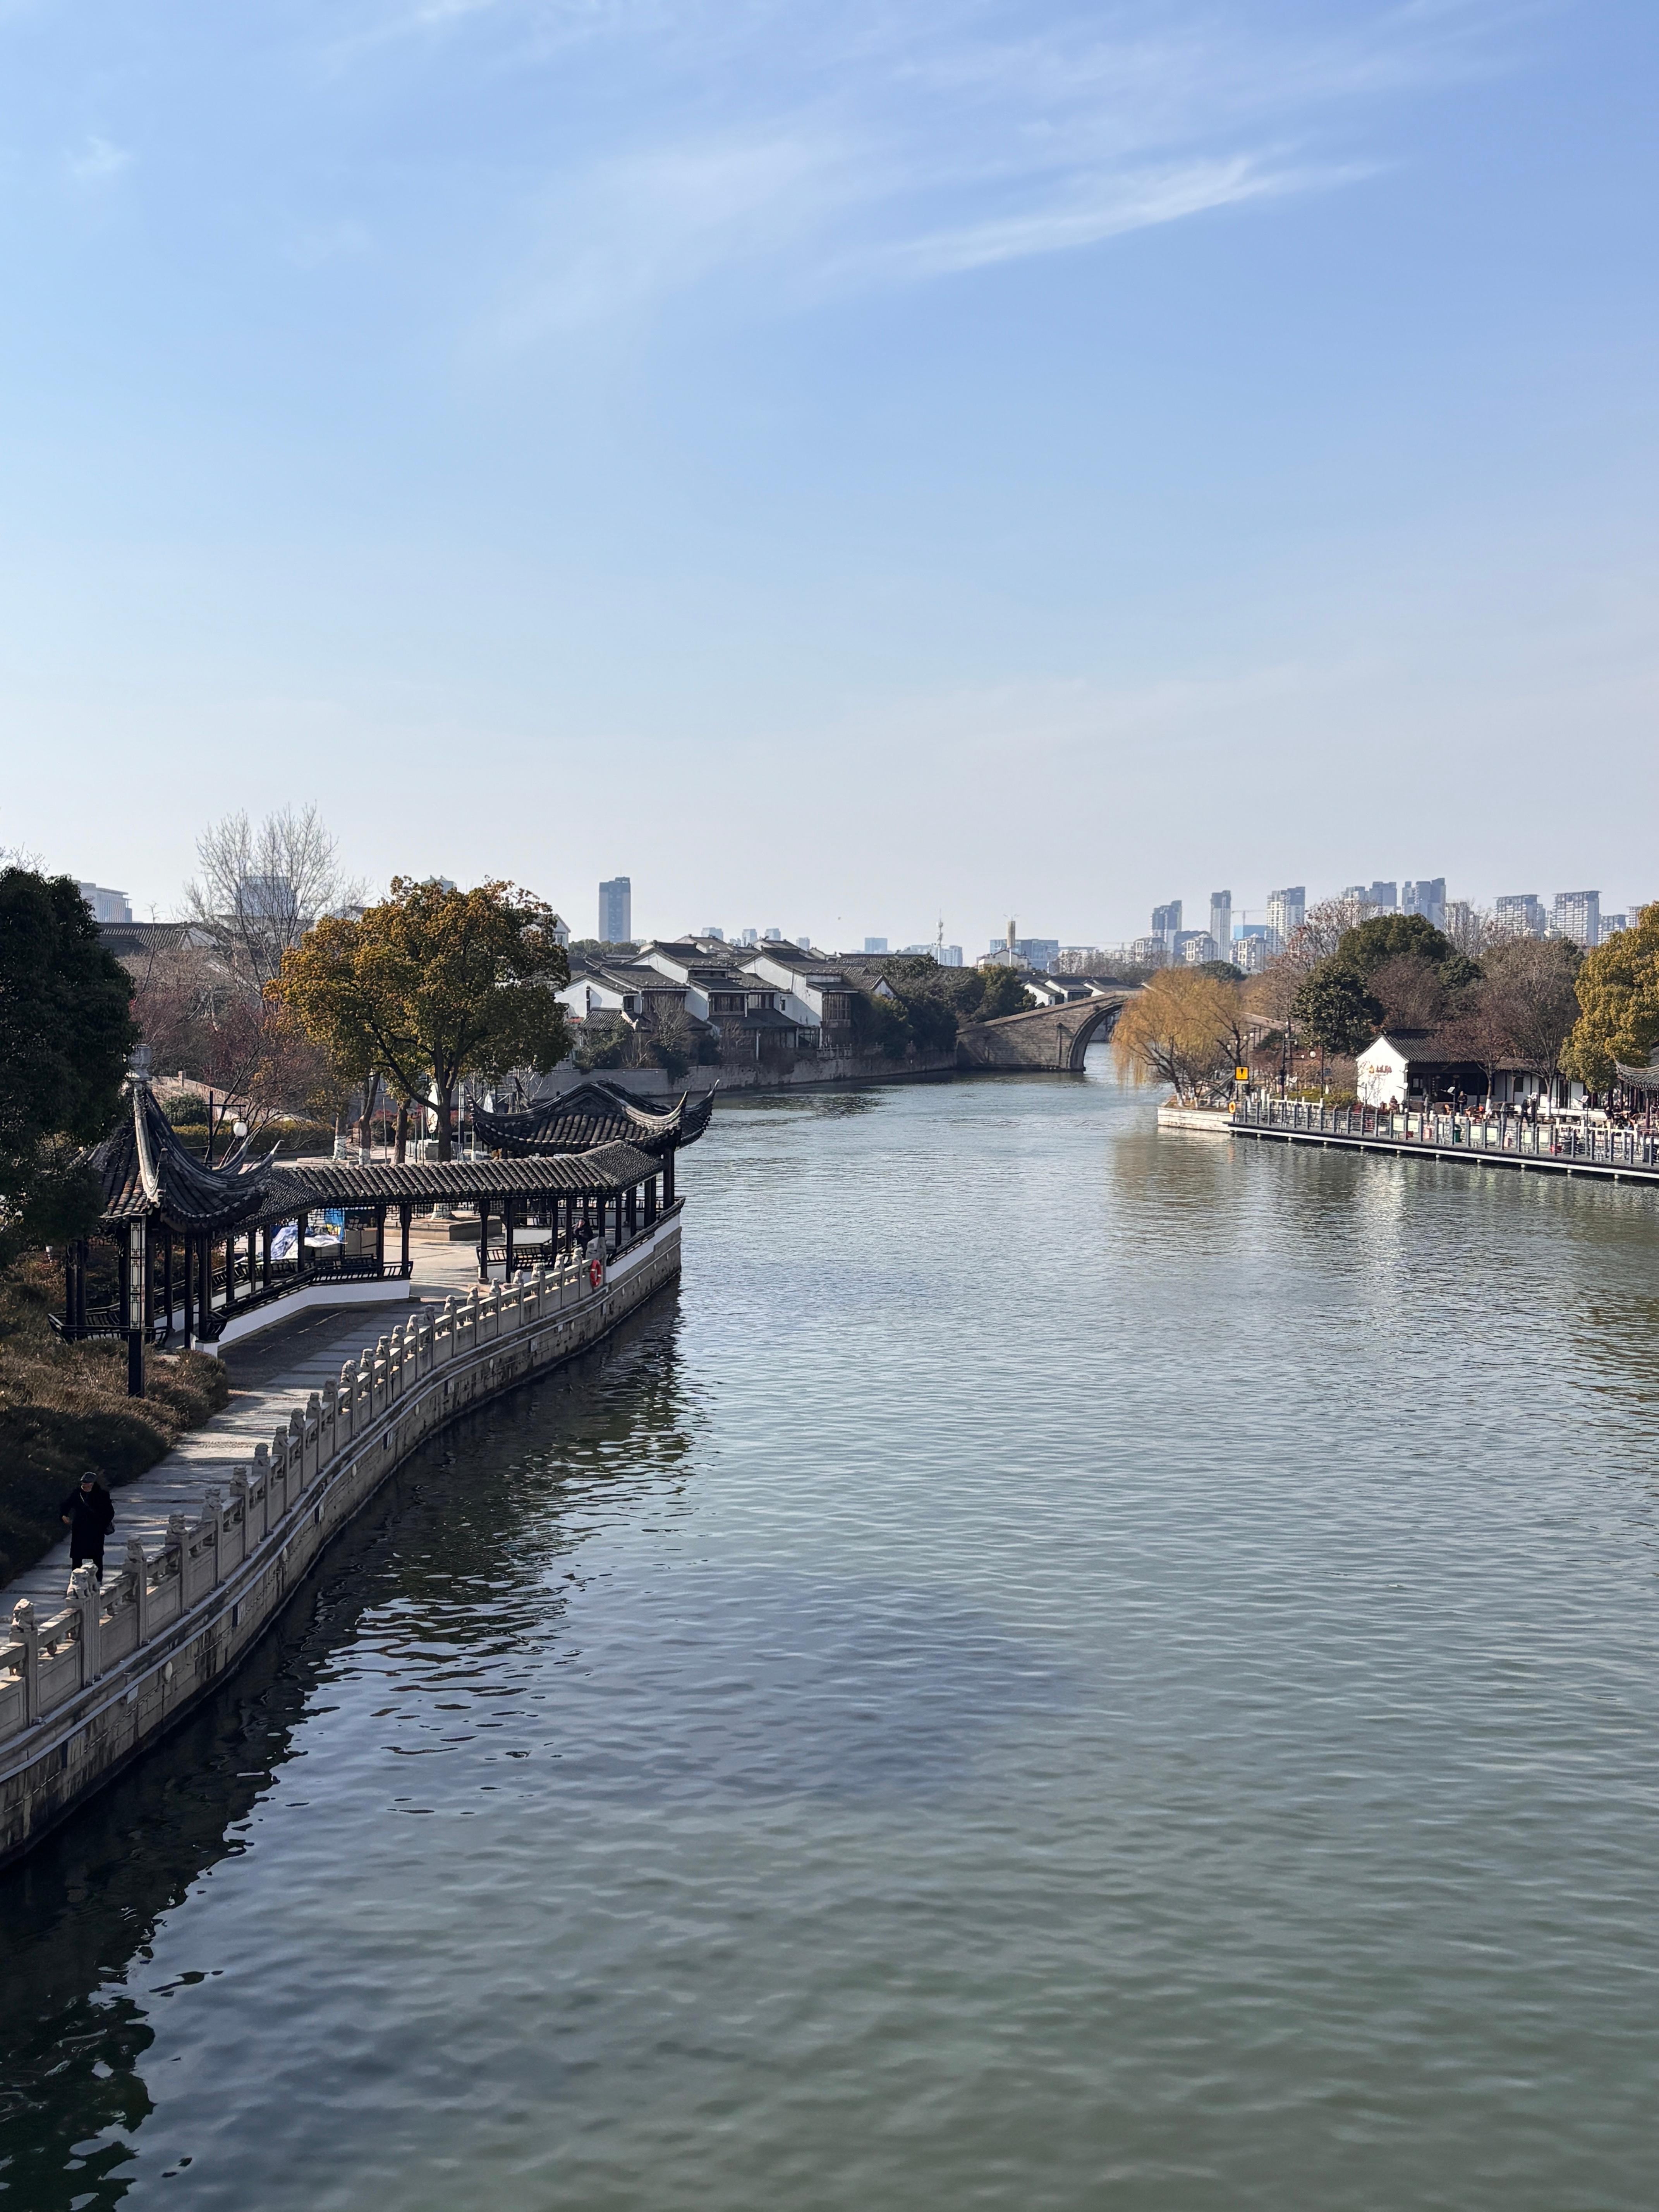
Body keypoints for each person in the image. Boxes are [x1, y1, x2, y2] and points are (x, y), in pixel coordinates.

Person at [60, 1470, 114, 1583]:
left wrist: (102, 1524)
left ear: (93, 1484)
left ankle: (98, 1581)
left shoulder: (102, 1495)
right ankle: (76, 1580)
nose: (85, 1486)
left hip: (96, 1531)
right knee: (77, 1557)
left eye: (88, 1484)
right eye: (84, 1484)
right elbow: (66, 1505)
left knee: (97, 1557)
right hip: (79, 1530)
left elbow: (110, 1512)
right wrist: (64, 1515)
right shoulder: (77, 1494)